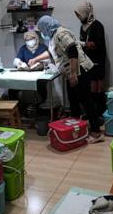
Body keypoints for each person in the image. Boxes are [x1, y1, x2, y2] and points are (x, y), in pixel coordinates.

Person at [28, 15, 104, 143]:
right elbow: (52, 52)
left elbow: (72, 50)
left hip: (79, 70)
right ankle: (75, 128)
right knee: (73, 100)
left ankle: (96, 132)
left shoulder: (61, 33)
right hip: (71, 72)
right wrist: (36, 59)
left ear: (46, 27)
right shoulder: (53, 37)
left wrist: (74, 74)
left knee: (86, 101)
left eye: (41, 30)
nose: (41, 33)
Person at [74, 1, 107, 117]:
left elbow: (97, 45)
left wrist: (82, 43)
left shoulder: (97, 26)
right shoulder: (82, 26)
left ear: (86, 12)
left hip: (98, 60)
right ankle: (92, 113)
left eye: (80, 14)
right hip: (87, 61)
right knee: (90, 86)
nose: (79, 17)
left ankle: (101, 113)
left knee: (98, 87)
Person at [9, 31, 48, 104]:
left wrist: (38, 65)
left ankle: (41, 105)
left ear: (36, 38)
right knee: (11, 90)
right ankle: (17, 108)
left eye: (31, 39)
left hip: (39, 77)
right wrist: (21, 64)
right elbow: (16, 60)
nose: (29, 41)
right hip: (25, 77)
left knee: (41, 86)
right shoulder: (23, 48)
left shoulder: (43, 48)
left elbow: (47, 61)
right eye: (27, 40)